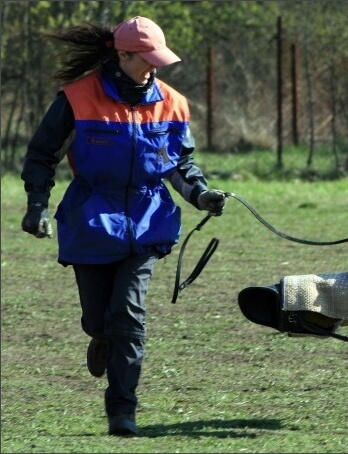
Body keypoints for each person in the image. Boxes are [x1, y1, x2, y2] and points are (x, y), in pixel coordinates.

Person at [20, 16, 226, 436]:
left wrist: (200, 194)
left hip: (149, 225)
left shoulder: (173, 102)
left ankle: (122, 411)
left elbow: (180, 165)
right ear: (123, 53)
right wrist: (37, 205)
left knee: (129, 316)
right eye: (146, 59)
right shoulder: (77, 99)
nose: (154, 68)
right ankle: (100, 337)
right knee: (99, 321)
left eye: (158, 60)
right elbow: (42, 155)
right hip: (91, 222)